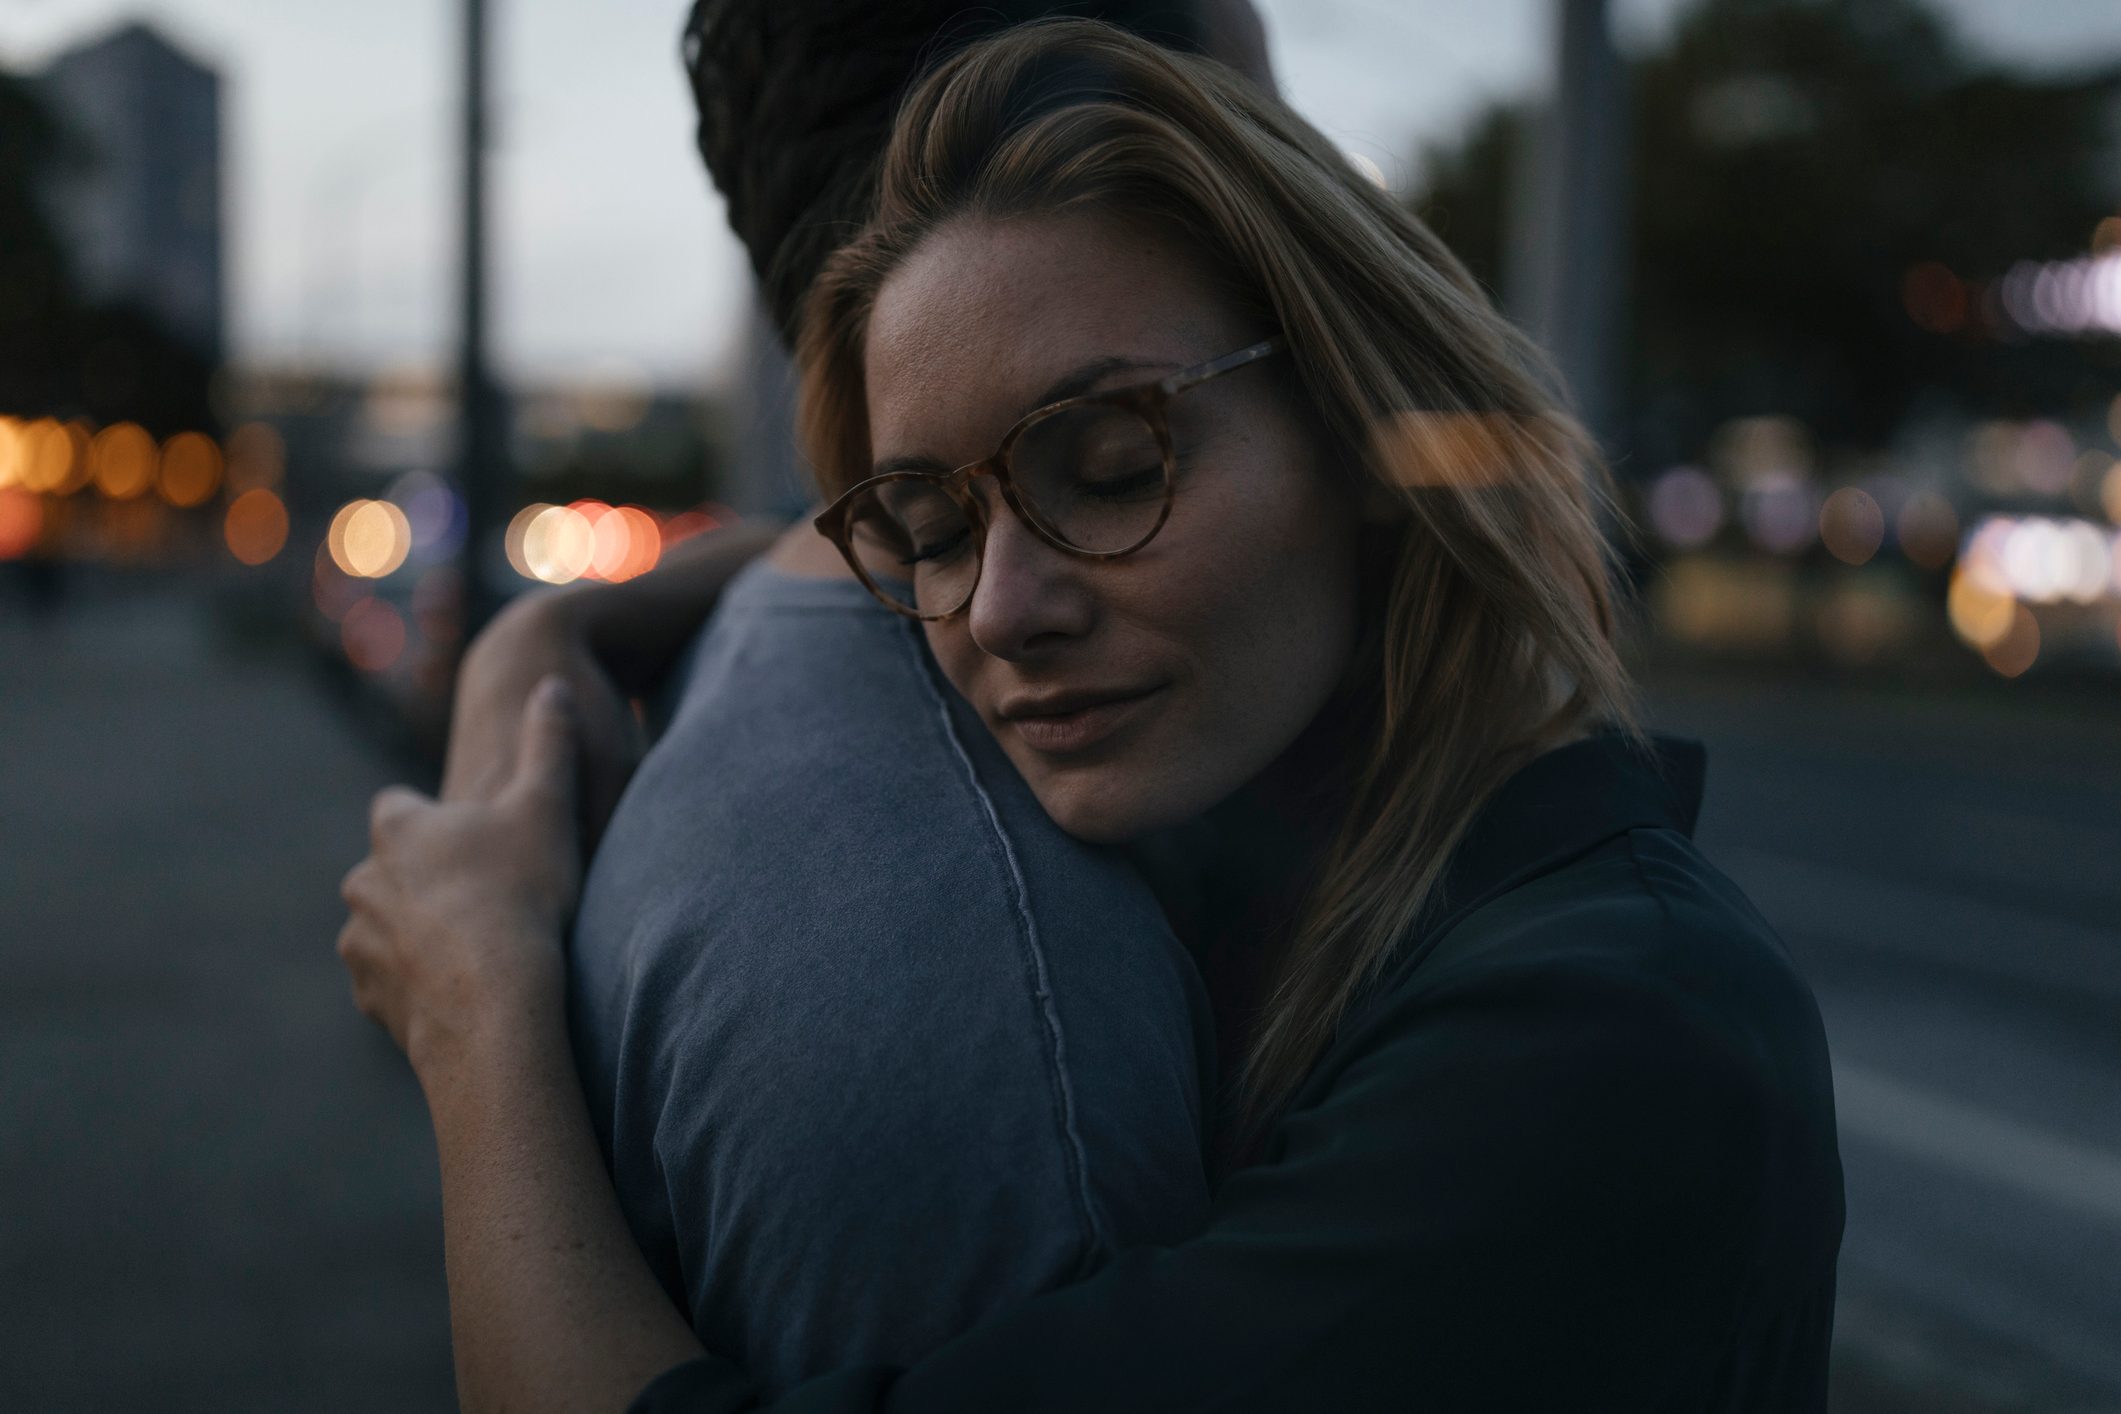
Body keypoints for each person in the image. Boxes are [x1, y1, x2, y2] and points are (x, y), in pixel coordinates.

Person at [336, 19, 1843, 1414]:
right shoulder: (1303, 864)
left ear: (1368, 430)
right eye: (928, 525)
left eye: (1112, 465)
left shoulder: (1610, 1040)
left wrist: (476, 1011)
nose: (998, 609)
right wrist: (556, 625)